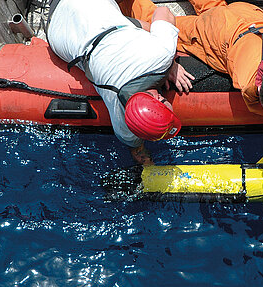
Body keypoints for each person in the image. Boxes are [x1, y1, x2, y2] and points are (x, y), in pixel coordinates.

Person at [118, 0, 263, 168]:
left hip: (246, 14)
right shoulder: (252, 82)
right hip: (219, 34)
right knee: (163, 25)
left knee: (214, 7)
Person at [47, 0, 192, 165]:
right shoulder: (121, 121)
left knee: (151, 29)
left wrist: (170, 60)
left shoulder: (160, 56)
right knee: (135, 28)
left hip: (90, 11)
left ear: (159, 99)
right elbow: (138, 153)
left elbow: (164, 12)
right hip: (56, 27)